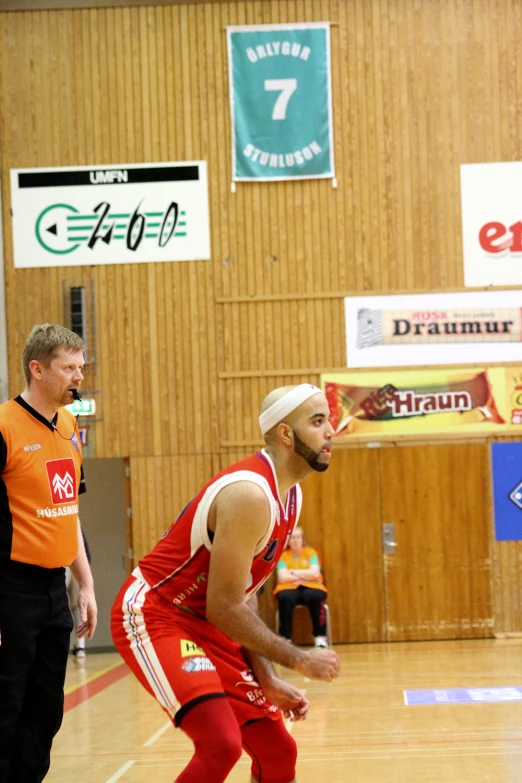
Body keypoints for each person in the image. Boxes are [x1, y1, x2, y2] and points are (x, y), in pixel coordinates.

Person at [111, 383, 340, 783]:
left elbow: (242, 597)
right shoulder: (250, 494)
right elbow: (225, 606)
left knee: (278, 751)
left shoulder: (292, 496)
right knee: (221, 744)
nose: (330, 431)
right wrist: (299, 658)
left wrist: (266, 679)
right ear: (286, 434)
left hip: (208, 622)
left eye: (329, 420)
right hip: (155, 613)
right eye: (318, 421)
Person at [0, 323, 97, 783]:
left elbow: (68, 509)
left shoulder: (69, 424)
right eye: (69, 368)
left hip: (54, 590)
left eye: (81, 367)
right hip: (10, 590)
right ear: (38, 370)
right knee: (6, 709)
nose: (79, 376)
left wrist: (87, 583)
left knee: (45, 712)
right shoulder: (3, 426)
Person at [274, 527, 329, 648]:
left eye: (298, 537)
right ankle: (285, 638)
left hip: (311, 586)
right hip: (288, 588)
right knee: (285, 598)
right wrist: (305, 574)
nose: (295, 540)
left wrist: (292, 572)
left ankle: (320, 637)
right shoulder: (283, 556)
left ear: (302, 539)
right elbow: (282, 577)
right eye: (292, 538)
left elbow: (315, 573)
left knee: (316, 596)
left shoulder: (311, 553)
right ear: (288, 540)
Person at [66, 529, 92, 659]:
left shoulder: (75, 525)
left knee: (78, 607)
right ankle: (80, 645)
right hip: (63, 565)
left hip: (73, 566)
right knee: (76, 607)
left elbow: (84, 548)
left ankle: (80, 645)